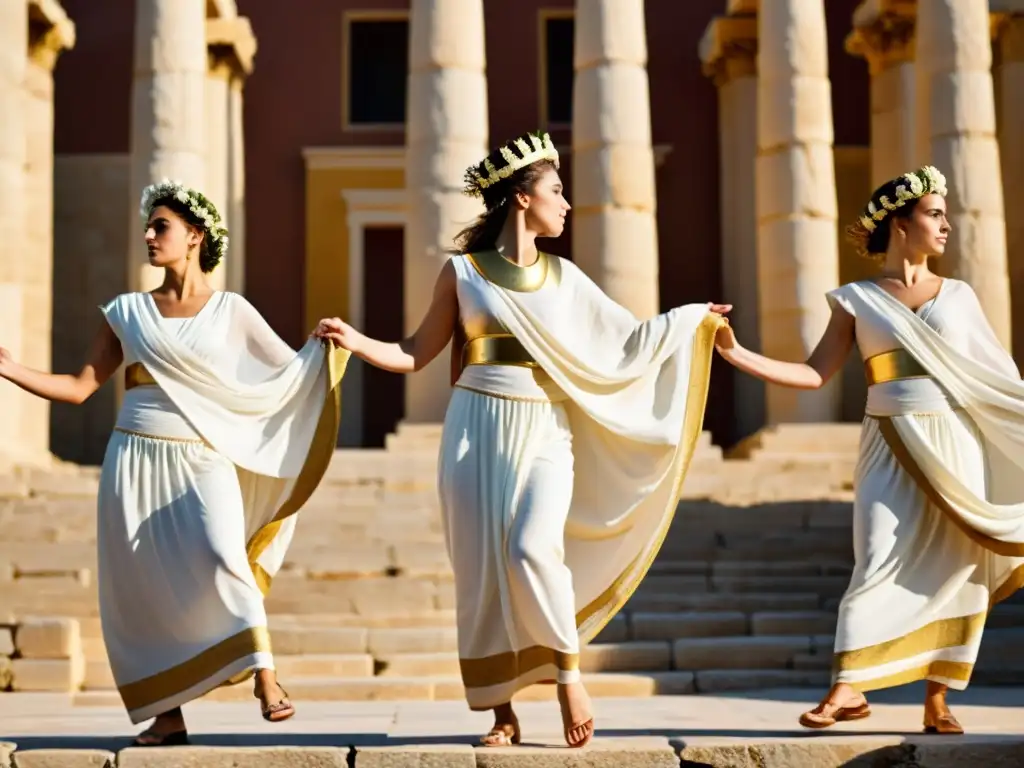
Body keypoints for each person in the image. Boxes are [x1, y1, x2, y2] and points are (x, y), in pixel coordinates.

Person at [315, 130, 729, 748]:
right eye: (556, 190)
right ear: (520, 198)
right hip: (474, 428)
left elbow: (628, 341)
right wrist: (354, 340)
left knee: (532, 548)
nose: (565, 203)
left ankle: (567, 674)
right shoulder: (463, 273)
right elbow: (415, 352)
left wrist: (691, 320)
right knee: (482, 568)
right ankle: (500, 711)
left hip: (544, 428)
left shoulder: (566, 278)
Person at [0, 180, 347, 745]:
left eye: (160, 226)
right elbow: (80, 386)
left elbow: (290, 373)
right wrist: (11, 369)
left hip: (201, 456)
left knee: (222, 554)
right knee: (141, 588)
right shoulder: (127, 312)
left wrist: (325, 345)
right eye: (149, 227)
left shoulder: (232, 311)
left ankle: (265, 675)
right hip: (132, 459)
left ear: (195, 236)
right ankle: (168, 716)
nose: (148, 236)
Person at [714, 165, 1024, 734]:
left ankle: (937, 702)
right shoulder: (856, 300)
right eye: (934, 213)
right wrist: (735, 353)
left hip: (955, 444)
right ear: (901, 224)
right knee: (877, 556)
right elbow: (814, 374)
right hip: (888, 442)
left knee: (957, 568)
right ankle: (847, 688)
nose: (946, 224)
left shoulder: (959, 296)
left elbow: (1000, 380)